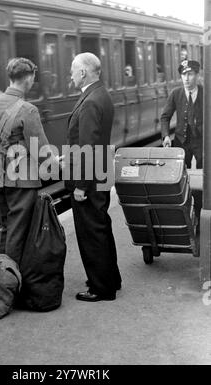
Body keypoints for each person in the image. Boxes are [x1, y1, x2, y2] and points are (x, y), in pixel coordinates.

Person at [0, 57, 60, 264]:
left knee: (7, 228)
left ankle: (0, 277)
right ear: (29, 78)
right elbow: (42, 150)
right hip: (21, 179)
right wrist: (57, 166)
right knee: (19, 233)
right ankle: (12, 285)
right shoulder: (28, 110)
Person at [65, 52, 122, 302]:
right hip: (101, 170)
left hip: (90, 176)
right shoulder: (101, 93)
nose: (70, 74)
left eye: (72, 70)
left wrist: (80, 186)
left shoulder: (89, 100)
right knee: (102, 227)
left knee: (92, 232)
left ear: (83, 72)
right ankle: (111, 279)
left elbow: (87, 146)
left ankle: (101, 288)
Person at [161, 59, 203, 227]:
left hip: (201, 143)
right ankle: (183, 216)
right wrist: (165, 136)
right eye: (183, 74)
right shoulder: (176, 93)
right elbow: (165, 117)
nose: (186, 78)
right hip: (181, 142)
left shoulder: (206, 93)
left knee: (204, 178)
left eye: (190, 74)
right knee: (179, 179)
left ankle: (200, 214)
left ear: (197, 75)